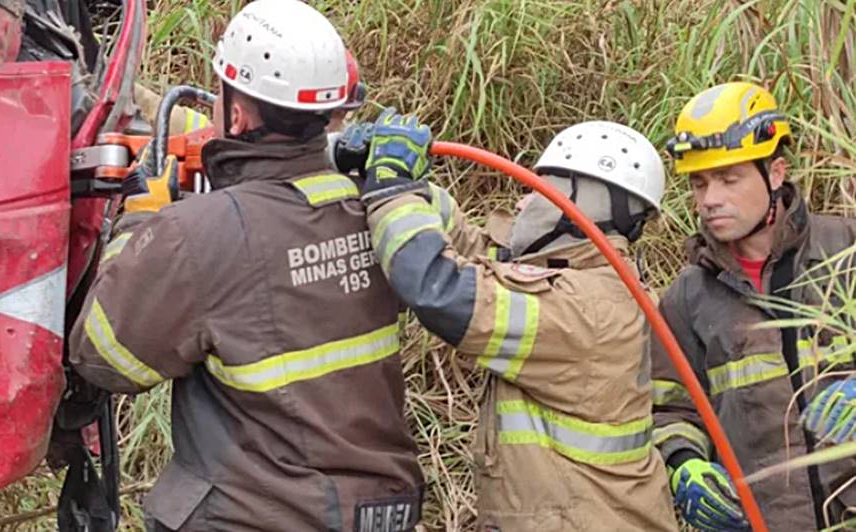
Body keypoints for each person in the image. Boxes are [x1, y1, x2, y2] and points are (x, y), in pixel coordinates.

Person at [69, 1, 424, 530]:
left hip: (257, 516)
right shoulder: (378, 210)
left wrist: (137, 226)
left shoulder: (197, 236)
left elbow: (102, 358)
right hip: (379, 511)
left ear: (236, 113)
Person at [352, 110, 678, 531]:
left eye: (539, 189)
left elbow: (442, 290)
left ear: (581, 206)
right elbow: (476, 255)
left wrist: (391, 192)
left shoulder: (588, 309)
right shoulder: (584, 279)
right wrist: (405, 180)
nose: (522, 201)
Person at [652, 81, 856, 531]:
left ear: (775, 172)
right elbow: (669, 406)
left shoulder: (846, 250)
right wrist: (685, 463)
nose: (710, 200)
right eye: (699, 183)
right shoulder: (689, 298)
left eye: (729, 178)